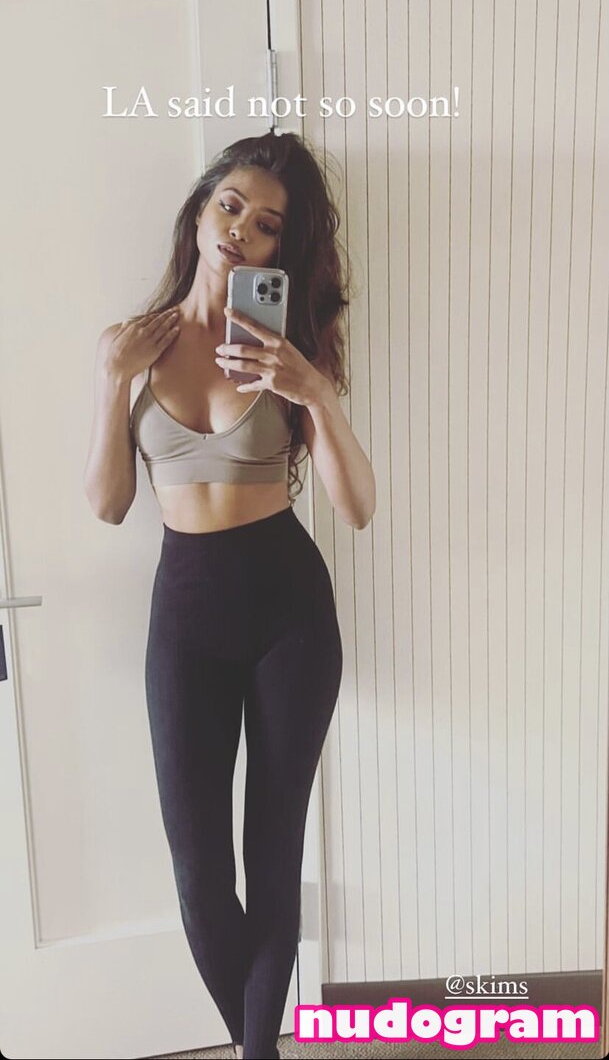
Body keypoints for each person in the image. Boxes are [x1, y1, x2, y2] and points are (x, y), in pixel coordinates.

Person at [84, 130, 375, 1059]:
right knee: (200, 877)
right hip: (187, 616)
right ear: (202, 210)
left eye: (267, 224)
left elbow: (357, 508)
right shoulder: (135, 346)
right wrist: (110, 384)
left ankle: (256, 1054)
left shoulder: (287, 348)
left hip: (289, 611)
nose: (241, 228)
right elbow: (108, 504)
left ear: (280, 249)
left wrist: (314, 392)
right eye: (231, 204)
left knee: (272, 859)